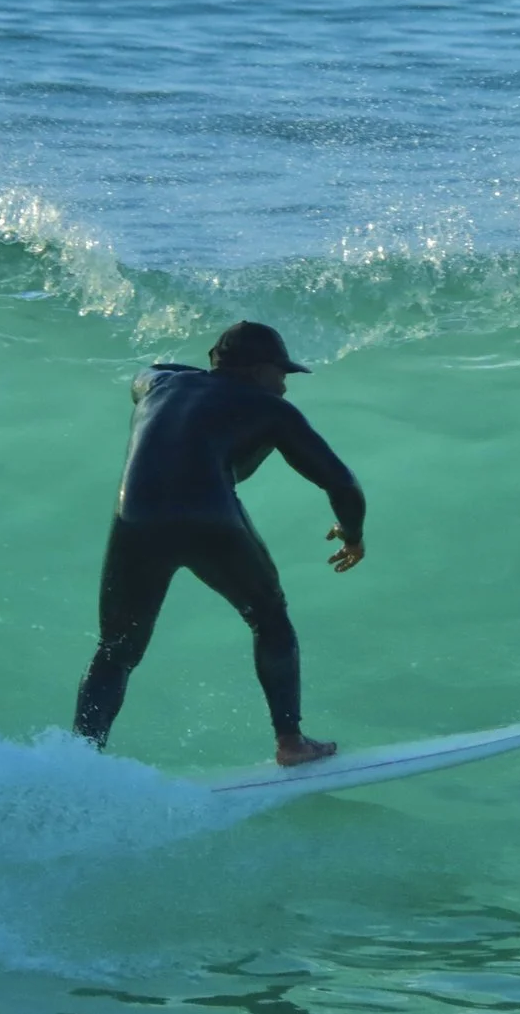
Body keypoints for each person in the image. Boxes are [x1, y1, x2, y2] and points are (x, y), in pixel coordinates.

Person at [73, 320, 366, 765]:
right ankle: (291, 742)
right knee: (270, 619)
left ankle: (78, 760)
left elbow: (148, 368)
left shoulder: (160, 385)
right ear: (255, 371)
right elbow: (342, 483)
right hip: (209, 515)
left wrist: (201, 376)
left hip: (136, 517)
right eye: (280, 373)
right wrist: (353, 535)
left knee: (116, 649)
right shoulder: (271, 410)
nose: (285, 387)